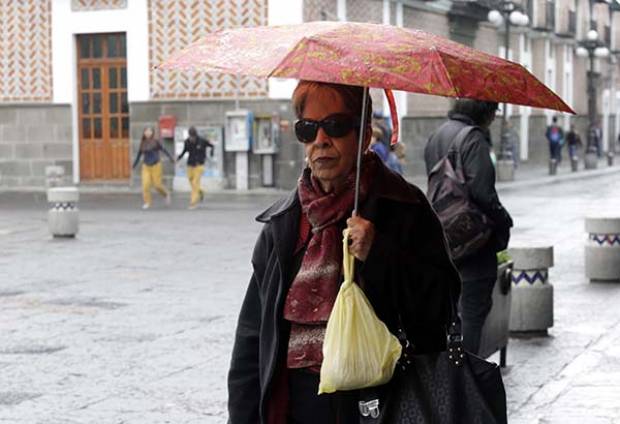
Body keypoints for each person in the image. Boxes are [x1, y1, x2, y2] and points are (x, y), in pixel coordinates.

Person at [228, 81, 461, 424]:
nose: (320, 140)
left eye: (335, 126)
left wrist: (379, 253)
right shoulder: (284, 222)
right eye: (308, 129)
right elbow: (253, 336)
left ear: (364, 135)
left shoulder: (405, 209)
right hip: (295, 403)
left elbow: (439, 310)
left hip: (381, 405)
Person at [424, 99, 513, 355]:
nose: (495, 116)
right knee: (472, 314)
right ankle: (466, 380)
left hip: (442, 235)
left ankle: (449, 378)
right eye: (494, 110)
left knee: (450, 315)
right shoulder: (473, 139)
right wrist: (504, 220)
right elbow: (483, 193)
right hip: (472, 240)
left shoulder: (437, 134)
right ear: (483, 112)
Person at [132, 127, 174, 210]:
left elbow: (163, 150)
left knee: (157, 185)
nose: (148, 133)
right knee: (145, 185)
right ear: (144, 133)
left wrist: (170, 158)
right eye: (146, 131)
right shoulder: (142, 143)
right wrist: (134, 165)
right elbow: (139, 155)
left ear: (152, 133)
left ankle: (166, 194)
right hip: (146, 166)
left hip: (156, 165)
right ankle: (147, 202)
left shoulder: (155, 142)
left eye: (149, 131)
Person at [177, 126, 215, 210]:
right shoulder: (187, 142)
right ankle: (200, 192)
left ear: (196, 136)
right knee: (191, 180)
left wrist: (211, 153)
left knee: (195, 183)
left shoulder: (202, 141)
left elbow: (212, 145)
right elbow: (184, 151)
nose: (192, 139)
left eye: (193, 137)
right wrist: (178, 158)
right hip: (190, 164)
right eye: (190, 137)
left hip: (199, 164)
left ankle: (193, 203)